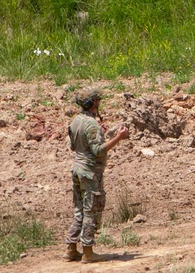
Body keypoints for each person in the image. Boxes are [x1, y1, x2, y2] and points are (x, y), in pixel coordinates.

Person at [63, 87, 129, 263]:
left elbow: (74, 146)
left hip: (77, 169)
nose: (99, 103)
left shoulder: (76, 121)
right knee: (91, 210)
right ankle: (88, 252)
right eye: (97, 100)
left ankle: (71, 249)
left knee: (79, 210)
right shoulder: (91, 124)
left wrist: (101, 134)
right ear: (93, 103)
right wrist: (118, 137)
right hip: (90, 173)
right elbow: (98, 150)